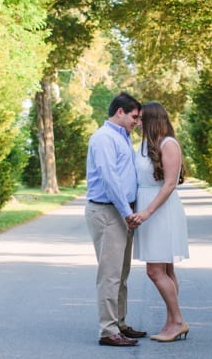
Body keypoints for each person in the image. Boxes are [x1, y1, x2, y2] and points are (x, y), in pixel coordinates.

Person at [85, 92, 147, 347]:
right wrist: (126, 212)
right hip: (108, 212)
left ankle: (120, 323)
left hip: (121, 212)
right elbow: (110, 179)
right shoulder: (103, 138)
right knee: (109, 275)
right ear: (119, 112)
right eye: (134, 116)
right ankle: (108, 331)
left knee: (121, 274)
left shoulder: (124, 138)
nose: (137, 121)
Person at [128, 101, 190, 342]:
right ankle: (171, 321)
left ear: (154, 119)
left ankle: (178, 321)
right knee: (166, 269)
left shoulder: (168, 144)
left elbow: (170, 184)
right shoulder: (145, 145)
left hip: (160, 212)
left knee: (155, 271)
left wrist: (147, 212)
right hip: (147, 207)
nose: (138, 122)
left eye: (142, 118)